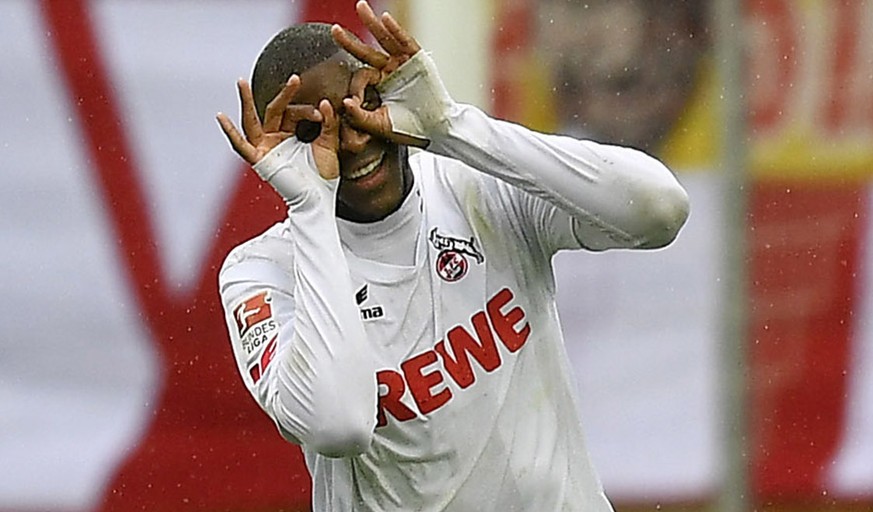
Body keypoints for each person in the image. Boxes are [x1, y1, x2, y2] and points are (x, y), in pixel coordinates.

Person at [216, 1, 689, 510]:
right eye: (314, 132)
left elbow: (659, 210)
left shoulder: (479, 186)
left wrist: (448, 125)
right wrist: (310, 205)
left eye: (361, 105)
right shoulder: (261, 272)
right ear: (279, 151)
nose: (351, 141)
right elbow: (338, 424)